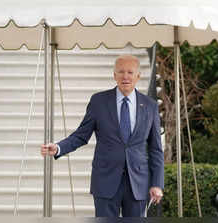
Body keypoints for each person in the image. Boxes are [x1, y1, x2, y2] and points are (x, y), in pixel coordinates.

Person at [41, 55, 164, 217]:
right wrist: (58, 147)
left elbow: (156, 149)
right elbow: (81, 135)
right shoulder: (98, 101)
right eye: (120, 72)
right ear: (114, 75)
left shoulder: (150, 106)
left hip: (138, 183)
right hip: (106, 181)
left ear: (138, 76)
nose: (125, 76)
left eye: (130, 72)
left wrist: (157, 184)